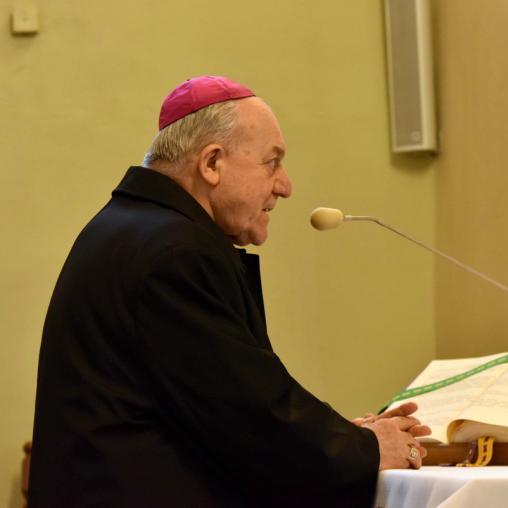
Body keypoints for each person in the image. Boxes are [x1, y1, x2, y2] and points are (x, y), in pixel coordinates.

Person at [29, 75, 430, 507]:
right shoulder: (175, 253)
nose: (285, 186)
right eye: (272, 162)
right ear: (212, 163)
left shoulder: (131, 229)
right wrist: (366, 449)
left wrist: (340, 440)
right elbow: (249, 416)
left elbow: (218, 409)